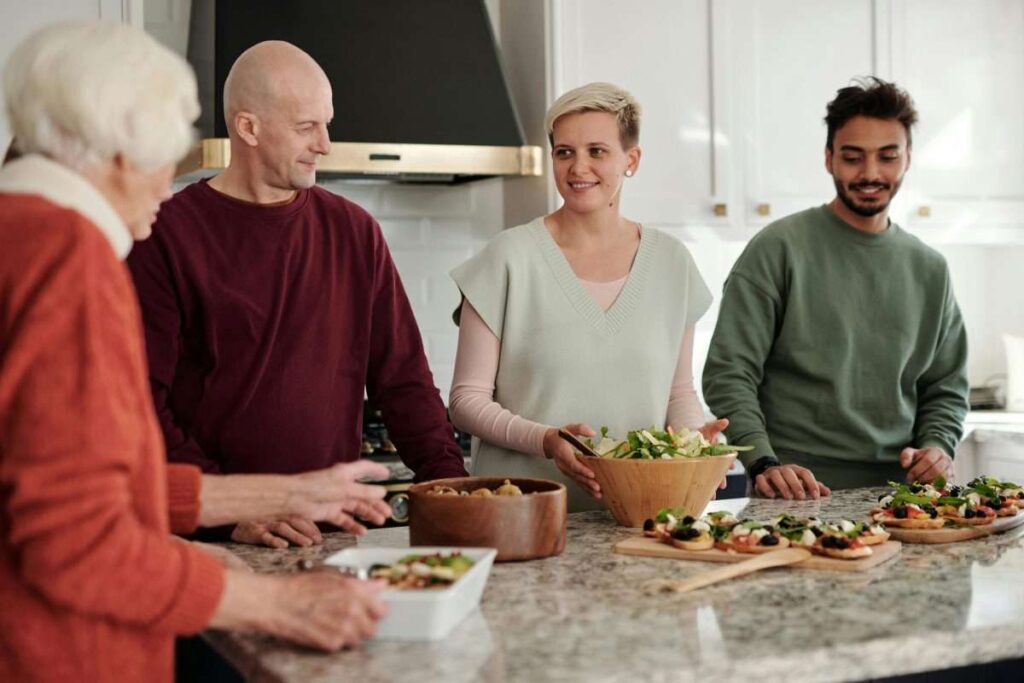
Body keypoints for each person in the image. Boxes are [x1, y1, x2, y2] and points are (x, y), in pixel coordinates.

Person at [0, 22, 393, 682]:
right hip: (66, 655)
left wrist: (270, 493)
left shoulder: (18, 233)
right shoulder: (70, 261)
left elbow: (84, 483)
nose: (168, 182)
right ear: (121, 150)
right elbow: (79, 543)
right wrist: (278, 604)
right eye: (166, 155)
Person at [127, 40, 467, 548]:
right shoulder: (165, 234)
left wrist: (456, 489)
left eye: (326, 123)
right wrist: (230, 511)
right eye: (307, 126)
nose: (325, 143)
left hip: (332, 537)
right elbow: (141, 405)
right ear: (248, 127)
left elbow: (404, 382)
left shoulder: (355, 232)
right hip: (216, 543)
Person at [448, 82, 726, 512]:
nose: (578, 167)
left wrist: (696, 444)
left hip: (637, 513)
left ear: (631, 160)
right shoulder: (507, 258)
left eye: (597, 151)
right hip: (523, 513)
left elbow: (677, 394)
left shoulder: (672, 262)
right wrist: (546, 439)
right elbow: (466, 402)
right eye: (565, 152)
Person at [703, 77, 969, 499]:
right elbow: (728, 372)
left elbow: (946, 387)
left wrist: (937, 446)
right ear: (828, 158)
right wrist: (764, 461)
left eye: (887, 156)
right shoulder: (778, 249)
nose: (870, 173)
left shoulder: (931, 270)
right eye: (852, 157)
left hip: (902, 500)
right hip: (795, 494)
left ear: (908, 159)